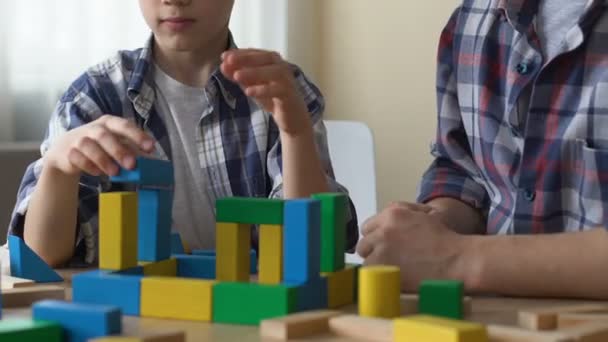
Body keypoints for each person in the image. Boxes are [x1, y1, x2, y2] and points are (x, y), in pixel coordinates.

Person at [9, 0, 357, 267]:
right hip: (137, 315)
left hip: (248, 312)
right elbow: (41, 257)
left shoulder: (280, 87)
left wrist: (296, 134)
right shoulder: (93, 96)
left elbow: (310, 249)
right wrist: (57, 169)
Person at [357, 0, 608, 299]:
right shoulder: (474, 17)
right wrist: (435, 223)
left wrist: (454, 258)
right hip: (495, 319)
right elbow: (463, 168)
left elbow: (453, 257)